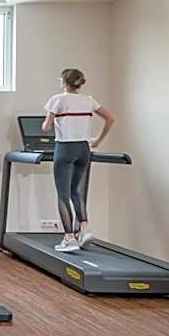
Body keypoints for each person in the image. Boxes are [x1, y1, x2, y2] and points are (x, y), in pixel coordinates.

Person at [42, 68, 115, 252]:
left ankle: (69, 238)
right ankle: (84, 228)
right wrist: (97, 140)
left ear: (63, 82)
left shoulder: (57, 99)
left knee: (63, 194)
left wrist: (53, 121)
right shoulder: (88, 100)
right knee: (76, 190)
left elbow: (45, 127)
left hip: (65, 147)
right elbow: (110, 118)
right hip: (84, 148)